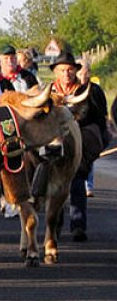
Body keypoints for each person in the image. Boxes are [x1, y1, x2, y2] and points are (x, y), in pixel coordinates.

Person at [51, 49, 109, 241]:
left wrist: (97, 142)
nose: (66, 74)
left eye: (69, 70)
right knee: (53, 185)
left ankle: (78, 225)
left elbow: (100, 119)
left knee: (76, 182)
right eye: (61, 70)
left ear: (75, 71)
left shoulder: (90, 91)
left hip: (80, 145)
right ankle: (54, 224)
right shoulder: (48, 91)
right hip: (53, 144)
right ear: (55, 72)